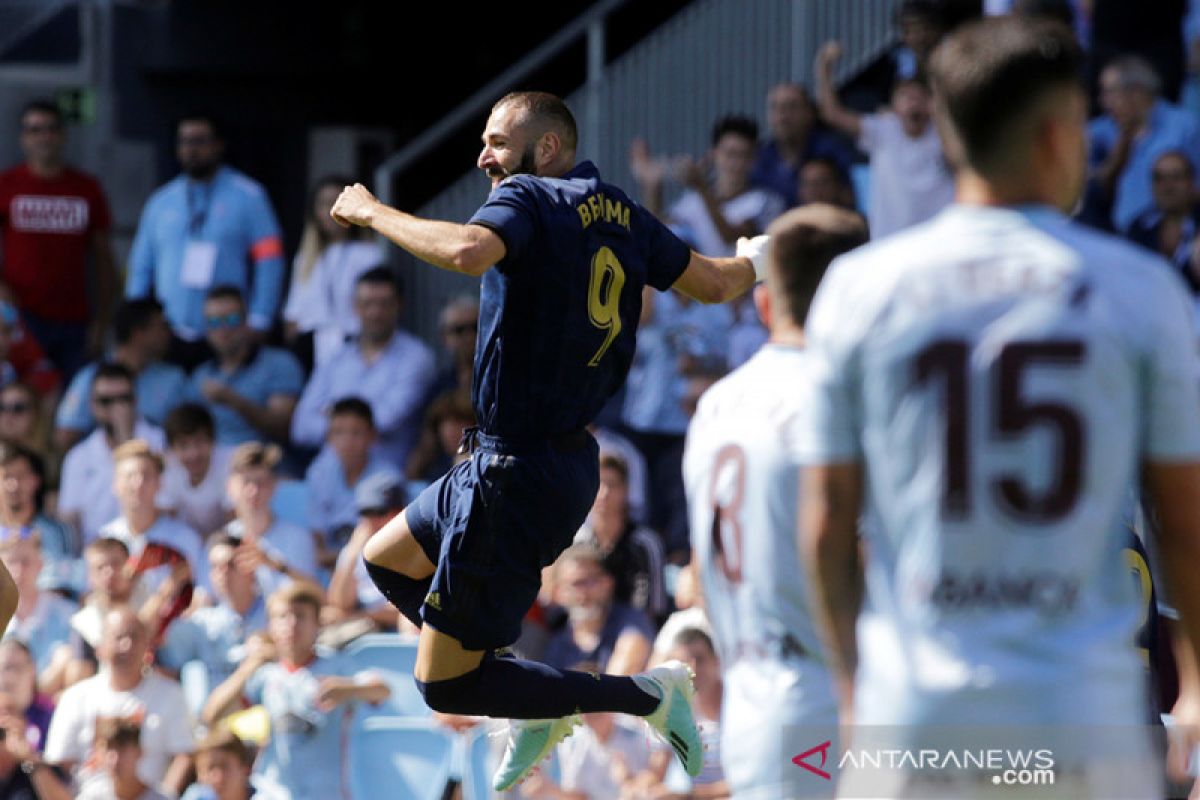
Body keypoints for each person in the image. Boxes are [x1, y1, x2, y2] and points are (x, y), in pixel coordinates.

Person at [798, 17, 1200, 798]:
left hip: (920, 716)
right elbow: (1184, 520)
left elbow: (825, 522)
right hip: (1086, 718)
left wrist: (851, 691)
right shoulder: (1140, 289)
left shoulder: (861, 288)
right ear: (1058, 133)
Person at [329, 91, 764, 790]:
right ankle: (523, 693)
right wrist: (759, 261)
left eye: (499, 141)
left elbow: (471, 251)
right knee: (387, 561)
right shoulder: (621, 211)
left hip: (515, 471)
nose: (484, 156)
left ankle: (646, 696)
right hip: (544, 460)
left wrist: (371, 210)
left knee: (445, 689)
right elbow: (714, 283)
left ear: (548, 149)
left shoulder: (530, 197)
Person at [682, 204, 866, 799]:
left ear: (764, 304)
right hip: (834, 704)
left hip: (752, 705)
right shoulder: (838, 398)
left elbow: (701, 579)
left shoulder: (715, 407)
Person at [200, 582, 389, 800]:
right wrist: (249, 667)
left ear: (317, 624)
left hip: (325, 792)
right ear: (271, 625)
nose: (291, 624)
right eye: (282, 617)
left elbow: (382, 690)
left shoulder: (337, 666)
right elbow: (212, 714)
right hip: (274, 791)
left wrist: (348, 689)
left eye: (300, 616)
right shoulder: (266, 674)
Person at [126, 113, 285, 370]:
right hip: (170, 331)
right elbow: (141, 266)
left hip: (227, 329)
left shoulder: (249, 196)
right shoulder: (161, 201)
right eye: (185, 142)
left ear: (218, 144)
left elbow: (269, 261)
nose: (192, 149)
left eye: (200, 141)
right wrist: (135, 321)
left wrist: (260, 317)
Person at [0, 100, 116, 379]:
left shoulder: (86, 188)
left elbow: (103, 259)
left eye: (51, 129)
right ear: (23, 138)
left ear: (63, 135)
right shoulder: (7, 185)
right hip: (21, 317)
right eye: (35, 130)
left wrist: (101, 321)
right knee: (22, 401)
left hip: (74, 319)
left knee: (73, 402)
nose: (44, 137)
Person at [290, 267, 435, 467]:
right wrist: (353, 426)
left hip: (388, 481)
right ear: (355, 307)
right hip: (329, 475)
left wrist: (332, 415)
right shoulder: (336, 357)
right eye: (367, 304)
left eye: (384, 304)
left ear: (400, 305)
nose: (375, 312)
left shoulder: (417, 358)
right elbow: (301, 427)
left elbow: (385, 421)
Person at [44, 607, 194, 797]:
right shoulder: (76, 698)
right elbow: (59, 765)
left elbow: (184, 756)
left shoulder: (171, 695)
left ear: (147, 646)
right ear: (100, 647)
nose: (126, 645)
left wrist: (163, 796)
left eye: (134, 637)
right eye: (119, 637)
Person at [816, 40, 955, 238]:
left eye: (920, 97)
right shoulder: (881, 130)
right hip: (889, 240)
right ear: (894, 104)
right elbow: (832, 114)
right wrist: (824, 68)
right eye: (906, 96)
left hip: (937, 241)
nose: (913, 103)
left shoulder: (945, 132)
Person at [98, 440, 207, 626]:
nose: (138, 483)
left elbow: (201, 596)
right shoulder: (105, 538)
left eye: (146, 475)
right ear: (115, 484)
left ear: (159, 483)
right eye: (129, 476)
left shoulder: (185, 539)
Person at [54, 299, 186, 452]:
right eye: (161, 326)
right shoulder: (90, 377)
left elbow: (185, 432)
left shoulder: (174, 378)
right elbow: (64, 436)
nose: (168, 332)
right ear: (138, 334)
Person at [1088, 55, 1200, 234]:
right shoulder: (1101, 130)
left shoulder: (1183, 126)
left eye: (1109, 92)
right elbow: (1090, 188)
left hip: (1171, 237)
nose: (1102, 101)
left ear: (1137, 93)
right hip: (1120, 238)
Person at [283, 175, 383, 370]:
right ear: (314, 211)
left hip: (353, 340)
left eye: (339, 202)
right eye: (324, 204)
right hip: (310, 343)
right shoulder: (305, 257)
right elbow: (293, 313)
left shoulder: (370, 254)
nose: (332, 210)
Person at [58, 363, 164, 544]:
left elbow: (168, 505)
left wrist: (126, 438)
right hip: (98, 555)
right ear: (92, 405)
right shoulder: (78, 457)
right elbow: (69, 519)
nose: (116, 408)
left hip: (153, 547)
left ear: (135, 401)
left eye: (123, 399)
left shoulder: (160, 442)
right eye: (106, 401)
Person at [159, 535, 269, 705]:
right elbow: (160, 662)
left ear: (251, 569)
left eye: (231, 565)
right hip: (215, 724)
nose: (223, 573)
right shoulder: (199, 622)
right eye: (215, 567)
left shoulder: (276, 616)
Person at [187, 286, 304, 445]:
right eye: (214, 322)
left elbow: (283, 427)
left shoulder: (279, 363)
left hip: (265, 463)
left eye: (231, 319)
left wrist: (232, 400)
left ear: (246, 321)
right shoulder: (200, 375)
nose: (223, 329)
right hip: (214, 466)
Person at [572, 452, 668, 625]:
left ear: (626, 490)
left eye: (611, 484)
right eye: (597, 484)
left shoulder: (645, 544)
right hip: (585, 636)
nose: (604, 493)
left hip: (636, 635)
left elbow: (653, 609)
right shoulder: (577, 543)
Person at [304, 398, 399, 566]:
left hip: (371, 571)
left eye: (356, 432)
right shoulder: (318, 473)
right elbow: (316, 538)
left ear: (372, 436)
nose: (347, 441)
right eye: (339, 432)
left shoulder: (388, 479)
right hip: (327, 570)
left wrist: (336, 557)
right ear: (329, 437)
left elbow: (385, 546)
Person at [220, 443, 318, 595]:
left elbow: (315, 594)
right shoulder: (223, 538)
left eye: (261, 483)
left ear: (274, 486)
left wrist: (273, 564)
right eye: (245, 482)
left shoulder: (297, 538)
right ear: (230, 487)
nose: (253, 491)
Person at [749, 84, 855, 207]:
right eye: (775, 107)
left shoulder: (830, 151)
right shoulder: (760, 156)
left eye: (791, 107)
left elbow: (848, 200)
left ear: (809, 113)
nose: (783, 115)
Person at [326, 472, 405, 631]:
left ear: (398, 512)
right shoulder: (354, 548)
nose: (372, 520)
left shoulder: (415, 548)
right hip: (363, 630)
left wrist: (361, 615)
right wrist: (352, 554)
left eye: (379, 512)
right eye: (366, 513)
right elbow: (339, 601)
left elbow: (408, 610)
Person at [1127, 150, 1200, 316]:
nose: (1167, 187)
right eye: (1159, 179)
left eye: (1176, 177)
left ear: (1191, 183)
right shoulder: (1139, 227)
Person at [0, 535, 74, 691]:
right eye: (11, 562)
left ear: (40, 565)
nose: (18, 570)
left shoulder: (67, 613)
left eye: (25, 562)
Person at [158, 403, 234, 538]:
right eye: (183, 445)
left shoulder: (231, 464)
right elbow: (166, 523)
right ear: (172, 449)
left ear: (213, 441)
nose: (193, 454)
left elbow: (235, 524)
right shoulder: (168, 467)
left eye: (200, 441)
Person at [0, 685, 71, 800]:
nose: (4, 721)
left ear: (24, 723)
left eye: (10, 713)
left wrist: (30, 761)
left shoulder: (40, 768)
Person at [75, 718, 170, 800]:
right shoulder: (90, 797)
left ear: (139, 752)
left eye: (122, 749)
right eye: (108, 749)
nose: (115, 759)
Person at [179, 729, 259, 800]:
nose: (218, 778)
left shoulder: (266, 795)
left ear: (245, 769)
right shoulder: (196, 796)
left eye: (224, 766)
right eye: (209, 769)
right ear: (198, 776)